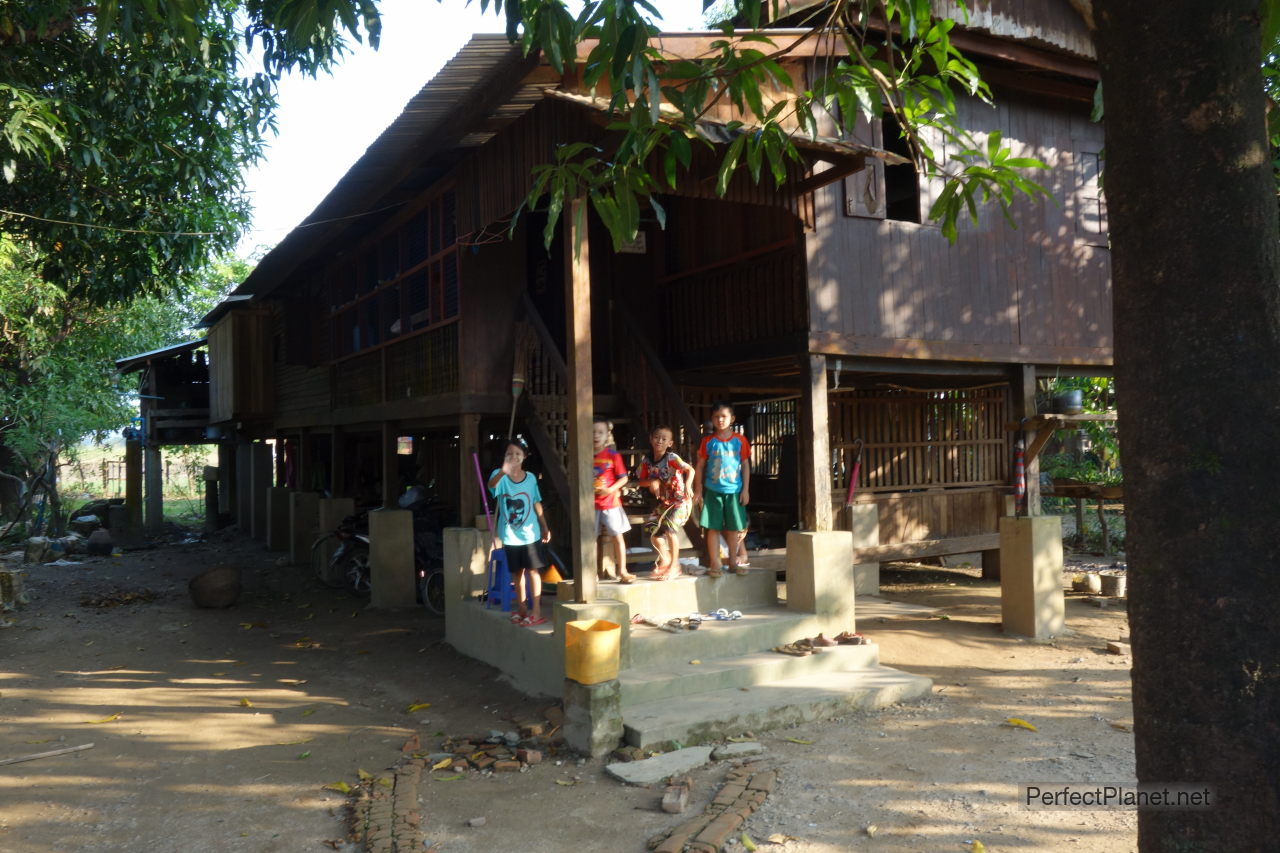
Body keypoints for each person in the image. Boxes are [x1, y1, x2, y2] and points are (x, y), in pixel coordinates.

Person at [487, 438, 551, 626]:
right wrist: (503, 471)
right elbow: (491, 486)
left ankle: (536, 611)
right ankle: (522, 609)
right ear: (504, 457)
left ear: (524, 456)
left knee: (533, 571)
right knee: (517, 573)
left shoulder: (530, 478)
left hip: (530, 535)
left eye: (517, 454)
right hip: (510, 535)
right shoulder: (499, 476)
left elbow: (536, 502)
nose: (513, 457)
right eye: (509, 454)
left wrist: (544, 526)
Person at [693, 401, 751, 577]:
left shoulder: (740, 440)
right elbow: (700, 466)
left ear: (732, 419)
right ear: (712, 419)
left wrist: (746, 490)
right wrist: (698, 489)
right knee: (712, 528)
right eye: (716, 417)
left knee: (733, 528)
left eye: (724, 416)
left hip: (734, 491)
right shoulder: (708, 441)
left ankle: (733, 562)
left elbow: (745, 465)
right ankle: (715, 563)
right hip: (712, 491)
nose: (720, 420)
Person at [636, 425, 695, 579]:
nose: (659, 441)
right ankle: (666, 560)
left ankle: (675, 565)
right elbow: (641, 481)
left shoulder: (672, 458)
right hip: (665, 503)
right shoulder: (647, 461)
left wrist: (688, 485)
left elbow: (690, 470)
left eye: (664, 439)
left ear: (670, 443)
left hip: (680, 501)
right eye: (656, 437)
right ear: (650, 439)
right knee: (653, 530)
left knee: (669, 529)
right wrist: (652, 482)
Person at [591, 417, 635, 583]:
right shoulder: (584, 454)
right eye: (593, 432)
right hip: (590, 505)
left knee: (617, 536)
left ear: (607, 434)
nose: (596, 435)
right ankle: (591, 573)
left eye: (600, 432)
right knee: (590, 540)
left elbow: (623, 478)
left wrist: (610, 490)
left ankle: (622, 570)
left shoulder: (612, 455)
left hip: (611, 503)